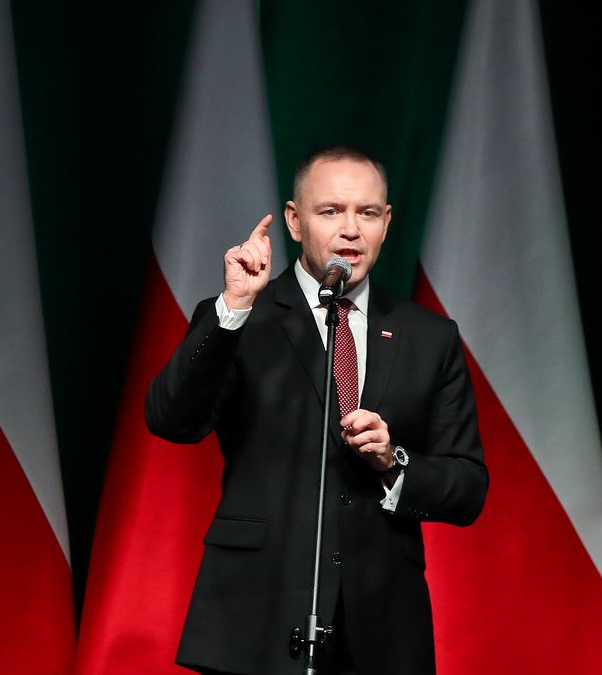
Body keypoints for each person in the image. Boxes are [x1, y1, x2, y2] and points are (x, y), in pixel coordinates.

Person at [146, 145, 488, 675]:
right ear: (295, 221)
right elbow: (171, 419)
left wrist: (393, 461)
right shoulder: (244, 318)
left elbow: (467, 487)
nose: (350, 230)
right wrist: (233, 308)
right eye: (330, 211)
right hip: (257, 617)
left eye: (367, 213)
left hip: (381, 631)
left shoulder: (430, 337)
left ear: (386, 222)